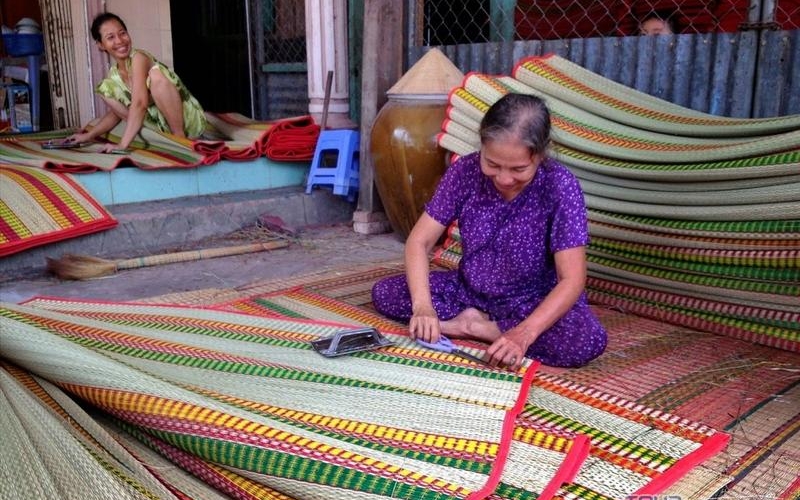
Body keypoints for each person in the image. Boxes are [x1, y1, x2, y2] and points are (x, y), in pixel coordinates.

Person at [371, 93, 607, 370]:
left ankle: (482, 329)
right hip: (469, 292)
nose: (504, 179)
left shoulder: (560, 186)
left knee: (584, 339)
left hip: (530, 301)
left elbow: (572, 280)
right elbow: (419, 243)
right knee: (388, 293)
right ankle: (467, 322)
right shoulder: (465, 172)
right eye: (492, 164)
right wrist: (423, 308)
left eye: (519, 169)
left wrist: (524, 333)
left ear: (540, 155)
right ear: (482, 145)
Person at [68, 13, 206, 152]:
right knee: (105, 90)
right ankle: (154, 138)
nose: (120, 41)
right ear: (100, 45)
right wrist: (89, 135)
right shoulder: (113, 77)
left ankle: (180, 139)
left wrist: (122, 145)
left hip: (186, 122)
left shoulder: (139, 58)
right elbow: (116, 113)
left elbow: (140, 103)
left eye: (122, 33)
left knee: (155, 75)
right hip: (158, 127)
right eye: (111, 37)